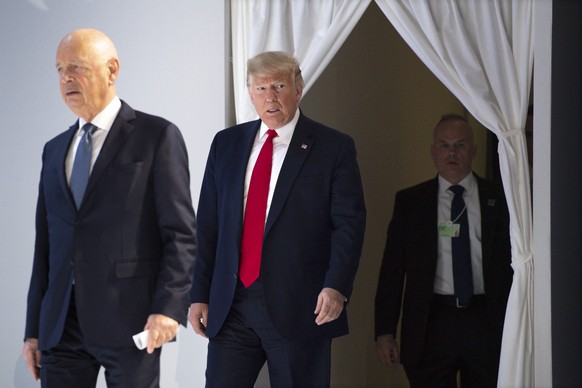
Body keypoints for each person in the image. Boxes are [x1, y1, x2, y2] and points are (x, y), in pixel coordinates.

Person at [22, 29, 197, 387]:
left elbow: (180, 235)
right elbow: (46, 245)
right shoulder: (54, 150)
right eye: (59, 69)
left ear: (112, 70)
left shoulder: (157, 136)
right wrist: (33, 330)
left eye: (76, 67)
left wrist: (168, 309)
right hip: (61, 325)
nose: (66, 78)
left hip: (131, 319)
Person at [188, 51, 366, 387]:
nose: (270, 97)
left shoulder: (333, 147)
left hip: (300, 305)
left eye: (279, 86)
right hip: (232, 304)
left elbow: (349, 224)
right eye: (261, 88)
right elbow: (208, 225)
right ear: (250, 92)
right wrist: (199, 292)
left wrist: (337, 285)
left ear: (298, 89)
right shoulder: (226, 144)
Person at [374, 114, 513, 387]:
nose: (452, 153)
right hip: (431, 322)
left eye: (460, 145)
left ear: (473, 151)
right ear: (433, 152)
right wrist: (385, 332)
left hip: (486, 319)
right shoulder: (411, 202)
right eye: (444, 145)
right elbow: (392, 271)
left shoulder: (499, 198)